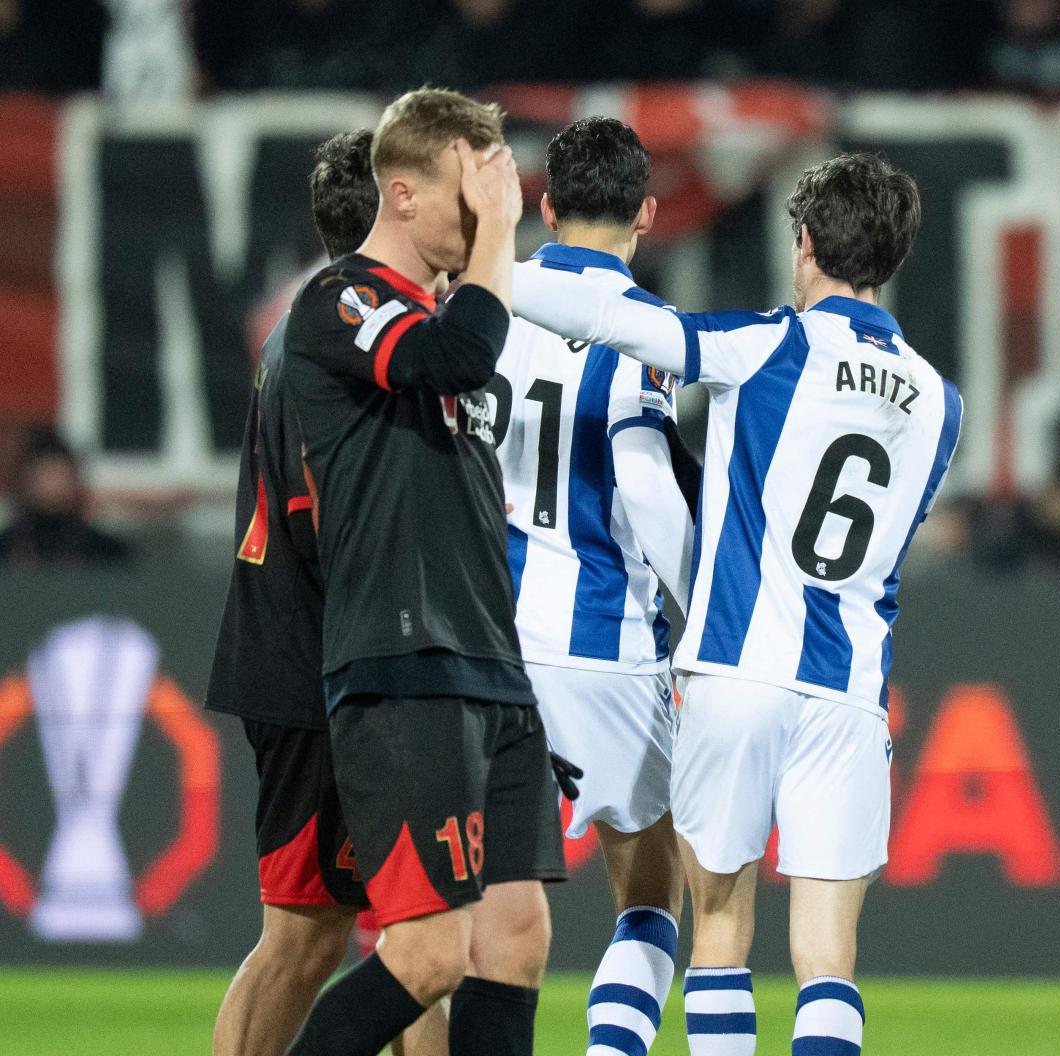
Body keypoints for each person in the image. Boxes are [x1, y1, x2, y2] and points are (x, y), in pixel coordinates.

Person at [510, 151, 961, 1056]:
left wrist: (481, 270)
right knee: (830, 957)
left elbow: (615, 321)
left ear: (802, 241)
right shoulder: (943, 403)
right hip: (847, 690)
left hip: (733, 668)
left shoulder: (761, 347)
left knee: (718, 931)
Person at [281, 87, 566, 1056]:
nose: (492, 207)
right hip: (407, 661)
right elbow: (450, 359)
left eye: (500, 184)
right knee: (429, 954)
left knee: (516, 938)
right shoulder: (340, 302)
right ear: (400, 194)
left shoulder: (449, 311)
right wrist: (499, 238)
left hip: (489, 660)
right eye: (472, 188)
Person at [205, 129, 445, 1056]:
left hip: (333, 654)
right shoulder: (349, 326)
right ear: (399, 203)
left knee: (412, 934)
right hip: (324, 661)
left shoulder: (326, 318)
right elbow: (340, 514)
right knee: (309, 937)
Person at [490, 116, 694, 1056]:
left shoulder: (483, 306)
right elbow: (648, 488)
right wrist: (701, 611)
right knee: (651, 891)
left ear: (545, 204)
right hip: (601, 643)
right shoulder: (639, 331)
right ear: (647, 213)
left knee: (476, 900)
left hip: (486, 639)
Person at [0, 428, 132, 567]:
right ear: (26, 483)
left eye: (59, 476)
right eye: (45, 476)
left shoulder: (106, 552)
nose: (52, 486)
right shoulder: (6, 548)